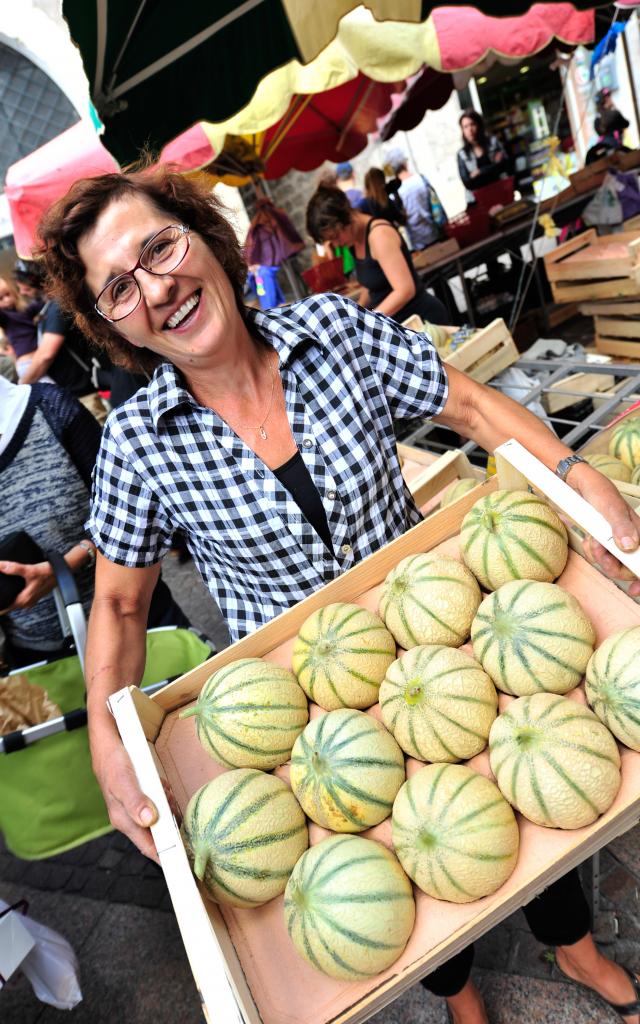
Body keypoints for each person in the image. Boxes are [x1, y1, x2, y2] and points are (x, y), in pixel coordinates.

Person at [38, 166, 640, 1024]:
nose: (158, 288)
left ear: (206, 238)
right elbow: (121, 607)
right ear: (109, 327)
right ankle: (458, 994)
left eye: (161, 246)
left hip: (444, 628)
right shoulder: (137, 445)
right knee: (394, 862)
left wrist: (579, 475)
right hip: (303, 708)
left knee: (529, 783)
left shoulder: (334, 330)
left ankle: (574, 949)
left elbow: (470, 405)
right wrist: (105, 738)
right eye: (120, 289)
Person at [0, 376, 188, 669]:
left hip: (139, 623)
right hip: (39, 661)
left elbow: (135, 512)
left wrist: (66, 566)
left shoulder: (49, 408)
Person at [306, 185, 448, 324]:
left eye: (336, 236)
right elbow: (372, 285)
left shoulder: (379, 235)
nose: (336, 244)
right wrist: (356, 312)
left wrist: (366, 321)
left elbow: (405, 290)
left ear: (347, 219)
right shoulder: (354, 242)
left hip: (422, 321)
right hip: (399, 325)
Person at [385, 148, 445, 252]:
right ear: (404, 163)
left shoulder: (395, 193)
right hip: (435, 234)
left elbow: (399, 221)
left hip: (417, 245)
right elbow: (436, 205)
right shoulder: (421, 179)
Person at [457, 109, 510, 205]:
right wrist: (493, 167)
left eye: (472, 124)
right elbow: (468, 183)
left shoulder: (493, 143)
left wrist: (479, 172)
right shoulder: (462, 154)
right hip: (478, 203)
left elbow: (506, 166)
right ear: (462, 130)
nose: (470, 130)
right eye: (465, 127)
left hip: (501, 196)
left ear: (479, 125)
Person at [0, 275, 42, 378]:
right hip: (27, 364)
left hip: (39, 359)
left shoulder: (25, 309)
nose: (6, 299)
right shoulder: (5, 318)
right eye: (0, 298)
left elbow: (44, 304)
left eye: (8, 294)